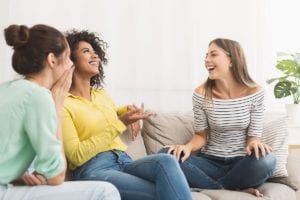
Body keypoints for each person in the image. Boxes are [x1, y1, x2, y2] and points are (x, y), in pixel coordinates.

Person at [62, 29, 193, 200]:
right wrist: (121, 123)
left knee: (166, 160)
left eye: (96, 52)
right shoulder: (64, 103)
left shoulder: (101, 95)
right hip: (95, 169)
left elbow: (112, 111)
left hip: (124, 161)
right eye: (86, 51)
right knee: (163, 191)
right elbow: (76, 156)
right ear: (70, 60)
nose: (95, 56)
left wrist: (129, 111)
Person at [0, 24, 120, 200]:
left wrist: (18, 175)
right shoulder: (39, 96)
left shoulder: (6, 89)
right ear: (52, 60)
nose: (71, 64)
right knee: (106, 192)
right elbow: (56, 176)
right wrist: (57, 104)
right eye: (68, 58)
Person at [162, 38, 276, 197]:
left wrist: (256, 144)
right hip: (210, 162)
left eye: (213, 55)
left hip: (242, 163)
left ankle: (209, 185)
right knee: (166, 155)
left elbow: (253, 138)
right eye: (206, 55)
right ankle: (228, 188)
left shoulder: (255, 93)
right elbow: (201, 135)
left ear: (231, 60)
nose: (207, 60)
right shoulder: (201, 94)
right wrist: (186, 147)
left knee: (268, 160)